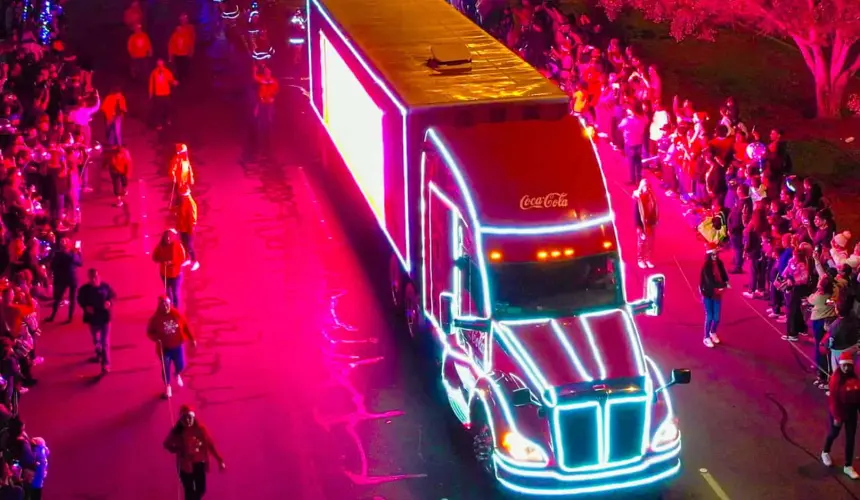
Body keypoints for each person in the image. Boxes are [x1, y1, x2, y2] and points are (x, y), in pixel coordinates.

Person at [163, 405, 225, 499]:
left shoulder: (200, 429)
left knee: (201, 489)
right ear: (181, 419)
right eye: (184, 418)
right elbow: (166, 444)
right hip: (184, 465)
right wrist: (178, 449)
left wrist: (220, 460)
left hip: (198, 463)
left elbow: (210, 445)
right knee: (189, 490)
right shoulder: (177, 431)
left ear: (193, 417)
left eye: (189, 417)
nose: (187, 420)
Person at [147, 296, 196, 398]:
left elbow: (185, 326)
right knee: (165, 368)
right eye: (162, 304)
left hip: (177, 346)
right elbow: (149, 332)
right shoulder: (155, 318)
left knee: (181, 365)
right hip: (165, 348)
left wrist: (192, 339)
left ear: (170, 304)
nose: (165, 306)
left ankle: (177, 373)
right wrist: (156, 338)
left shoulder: (176, 314)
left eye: (166, 303)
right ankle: (167, 386)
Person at [822, 351, 860, 479]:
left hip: (852, 412)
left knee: (850, 438)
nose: (846, 368)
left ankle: (848, 466)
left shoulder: (854, 378)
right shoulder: (835, 380)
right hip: (839, 411)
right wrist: (837, 417)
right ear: (840, 365)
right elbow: (833, 401)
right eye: (844, 365)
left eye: (848, 365)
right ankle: (825, 451)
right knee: (834, 433)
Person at [76, 269, 117, 374]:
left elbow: (113, 296)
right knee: (96, 339)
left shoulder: (105, 287)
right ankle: (98, 353)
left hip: (104, 318)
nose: (94, 280)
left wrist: (109, 302)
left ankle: (106, 364)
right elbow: (80, 299)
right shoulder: (85, 290)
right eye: (92, 278)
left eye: (96, 277)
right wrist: (85, 307)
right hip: (93, 319)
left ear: (99, 276)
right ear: (89, 278)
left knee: (105, 342)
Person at [45, 238, 83, 323]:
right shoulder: (72, 255)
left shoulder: (57, 255)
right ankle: (70, 317)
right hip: (72, 278)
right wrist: (79, 252)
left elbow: (52, 266)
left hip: (60, 279)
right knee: (72, 298)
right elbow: (80, 263)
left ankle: (52, 316)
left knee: (57, 299)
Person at [699, 247, 728, 348]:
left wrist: (726, 281)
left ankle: (713, 332)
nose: (715, 256)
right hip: (708, 293)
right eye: (713, 255)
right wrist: (723, 285)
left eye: (716, 254)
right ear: (709, 255)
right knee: (710, 316)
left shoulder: (719, 263)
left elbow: (724, 274)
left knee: (717, 318)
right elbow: (710, 282)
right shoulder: (706, 266)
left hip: (717, 294)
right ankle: (706, 337)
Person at [152, 230, 187, 308]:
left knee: (175, 292)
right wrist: (162, 260)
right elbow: (154, 257)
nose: (168, 239)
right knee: (168, 292)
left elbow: (183, 257)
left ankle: (176, 310)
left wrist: (173, 262)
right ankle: (170, 308)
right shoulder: (160, 247)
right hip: (165, 274)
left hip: (176, 274)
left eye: (169, 237)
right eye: (166, 237)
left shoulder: (177, 245)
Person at [632, 178, 658, 269]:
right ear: (641, 187)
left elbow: (654, 209)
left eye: (648, 186)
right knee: (641, 242)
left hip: (650, 223)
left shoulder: (651, 196)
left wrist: (655, 220)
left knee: (650, 243)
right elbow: (636, 214)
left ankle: (648, 259)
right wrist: (639, 227)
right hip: (642, 224)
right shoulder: (637, 199)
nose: (647, 188)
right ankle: (640, 259)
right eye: (645, 186)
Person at [149, 59, 178, 130]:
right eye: (158, 65)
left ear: (163, 65)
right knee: (158, 110)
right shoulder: (154, 73)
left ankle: (168, 120)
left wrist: (174, 82)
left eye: (161, 65)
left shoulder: (167, 72)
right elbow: (151, 84)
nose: (160, 66)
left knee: (168, 108)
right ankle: (158, 123)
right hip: (158, 95)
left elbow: (171, 80)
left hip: (166, 94)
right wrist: (150, 93)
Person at [175, 188, 199, 271]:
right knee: (184, 244)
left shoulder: (190, 203)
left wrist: (191, 229)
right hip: (183, 227)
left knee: (189, 245)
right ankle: (188, 258)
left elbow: (192, 219)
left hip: (188, 228)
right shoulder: (183, 201)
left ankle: (194, 261)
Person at [168, 14, 196, 80]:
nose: (183, 21)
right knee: (179, 66)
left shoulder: (190, 28)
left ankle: (185, 76)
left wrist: (191, 50)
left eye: (184, 19)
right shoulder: (175, 34)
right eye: (181, 19)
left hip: (186, 52)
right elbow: (171, 44)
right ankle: (181, 77)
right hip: (178, 53)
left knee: (186, 65)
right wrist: (171, 54)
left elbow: (192, 39)